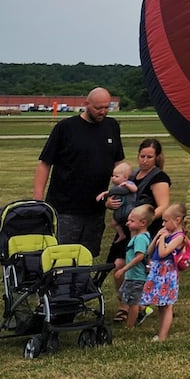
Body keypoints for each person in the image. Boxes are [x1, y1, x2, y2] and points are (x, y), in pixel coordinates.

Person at [33, 87, 124, 259]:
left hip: (96, 209)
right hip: (66, 209)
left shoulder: (112, 126)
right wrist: (38, 200)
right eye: (98, 108)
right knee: (62, 257)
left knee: (87, 257)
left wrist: (120, 191)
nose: (103, 112)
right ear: (86, 104)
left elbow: (119, 164)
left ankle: (81, 286)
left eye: (107, 107)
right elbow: (45, 163)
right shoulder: (66, 128)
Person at [141, 202, 189, 341]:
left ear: (177, 220)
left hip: (167, 273)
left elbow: (163, 253)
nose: (163, 224)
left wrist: (162, 239)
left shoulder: (179, 237)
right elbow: (149, 252)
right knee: (161, 305)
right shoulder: (167, 233)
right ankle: (160, 332)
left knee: (167, 305)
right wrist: (157, 237)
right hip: (158, 271)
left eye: (165, 221)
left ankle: (163, 336)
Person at [113, 205, 154, 327]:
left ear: (143, 223)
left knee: (133, 303)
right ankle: (144, 309)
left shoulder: (140, 239)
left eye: (131, 221)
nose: (127, 223)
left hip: (136, 276)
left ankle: (130, 326)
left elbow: (139, 257)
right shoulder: (141, 235)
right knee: (125, 295)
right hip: (133, 276)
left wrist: (123, 269)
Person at [128, 138, 173, 236]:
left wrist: (145, 219)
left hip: (147, 228)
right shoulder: (132, 175)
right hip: (130, 224)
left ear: (156, 158)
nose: (144, 160)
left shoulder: (159, 178)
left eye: (149, 157)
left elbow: (163, 206)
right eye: (142, 156)